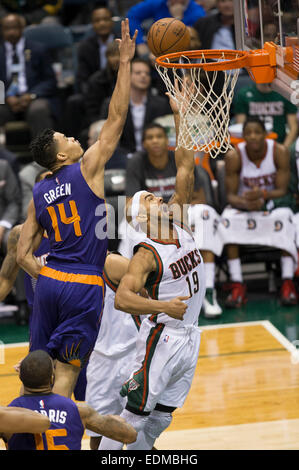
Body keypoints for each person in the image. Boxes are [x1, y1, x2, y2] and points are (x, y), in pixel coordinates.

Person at [16, 19, 137, 399]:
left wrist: (47, 274)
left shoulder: (40, 189)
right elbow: (116, 119)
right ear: (62, 155)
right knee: (66, 379)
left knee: (36, 373)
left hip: (50, 280)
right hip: (83, 283)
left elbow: (22, 252)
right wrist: (125, 65)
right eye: (65, 137)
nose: (71, 136)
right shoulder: (87, 168)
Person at [98, 83, 205, 451]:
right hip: (164, 336)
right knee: (133, 417)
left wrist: (181, 114)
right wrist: (162, 307)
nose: (156, 196)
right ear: (142, 217)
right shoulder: (145, 253)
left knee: (161, 416)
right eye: (148, 198)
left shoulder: (180, 220)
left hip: (191, 334)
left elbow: (186, 164)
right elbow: (123, 300)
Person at [222, 117, 298, 307]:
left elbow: (282, 190)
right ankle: (237, 283)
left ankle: (288, 282)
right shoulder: (234, 156)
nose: (253, 136)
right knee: (227, 219)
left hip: (270, 205)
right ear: (243, 136)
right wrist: (247, 204)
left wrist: (262, 195)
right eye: (249, 133)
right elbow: (230, 196)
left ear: (265, 134)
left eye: (257, 132)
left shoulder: (279, 152)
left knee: (286, 217)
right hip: (244, 207)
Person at [1, 350, 137, 450]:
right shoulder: (79, 411)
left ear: (20, 378)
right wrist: (116, 420)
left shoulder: (7, 415)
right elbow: (129, 435)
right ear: (52, 378)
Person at [99, 58, 171, 157]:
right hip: (122, 157)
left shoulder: (161, 104)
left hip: (153, 157)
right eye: (138, 73)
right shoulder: (112, 104)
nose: (143, 76)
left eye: (147, 73)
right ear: (127, 76)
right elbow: (105, 135)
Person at [0, 14, 58, 138]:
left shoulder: (39, 49)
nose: (11, 32)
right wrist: (6, 97)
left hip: (33, 97)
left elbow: (50, 80)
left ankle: (44, 155)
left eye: (14, 27)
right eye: (7, 28)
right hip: (6, 101)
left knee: (39, 110)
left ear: (22, 28)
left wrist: (31, 95)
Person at [127, 0, 206, 58]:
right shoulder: (159, 3)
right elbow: (132, 16)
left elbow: (191, 43)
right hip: (156, 47)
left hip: (184, 56)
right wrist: (140, 42)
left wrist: (178, 19)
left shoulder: (198, 13)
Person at [234, 82, 298, 148]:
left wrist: (284, 148)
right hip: (252, 144)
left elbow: (293, 127)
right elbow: (240, 126)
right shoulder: (244, 94)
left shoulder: (285, 94)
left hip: (279, 142)